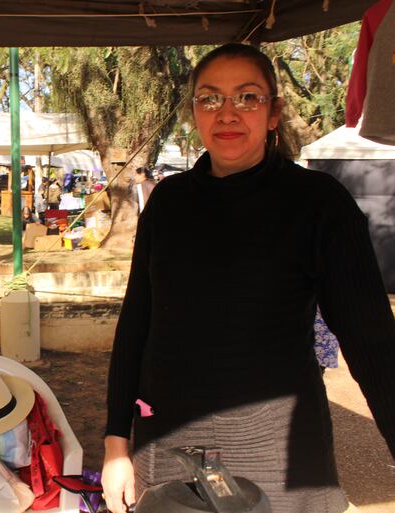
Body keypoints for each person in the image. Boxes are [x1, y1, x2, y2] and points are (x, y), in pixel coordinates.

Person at [102, 43, 395, 513]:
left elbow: (373, 341)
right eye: (210, 98)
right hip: (168, 437)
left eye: (248, 97)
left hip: (276, 444)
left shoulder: (319, 203)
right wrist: (116, 442)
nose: (228, 113)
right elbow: (137, 323)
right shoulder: (169, 203)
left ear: (274, 113)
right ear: (194, 112)